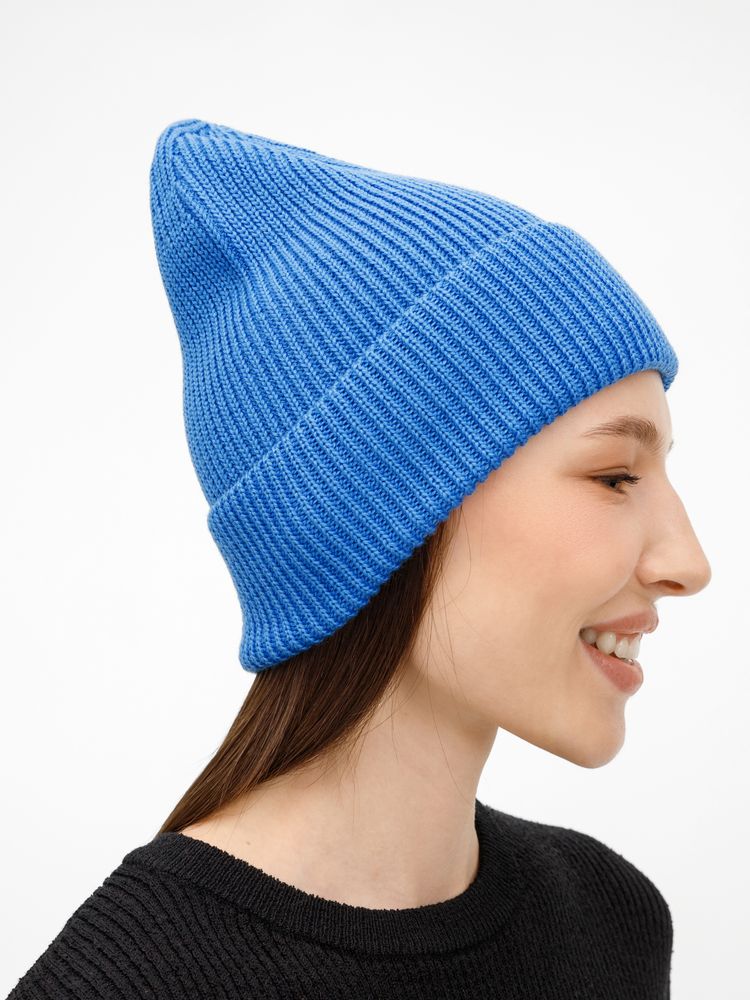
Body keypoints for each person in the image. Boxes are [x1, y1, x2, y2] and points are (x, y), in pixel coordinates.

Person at [7, 119, 711, 999]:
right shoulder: (128, 984)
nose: (689, 562)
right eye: (614, 476)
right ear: (381, 510)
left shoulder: (608, 919)